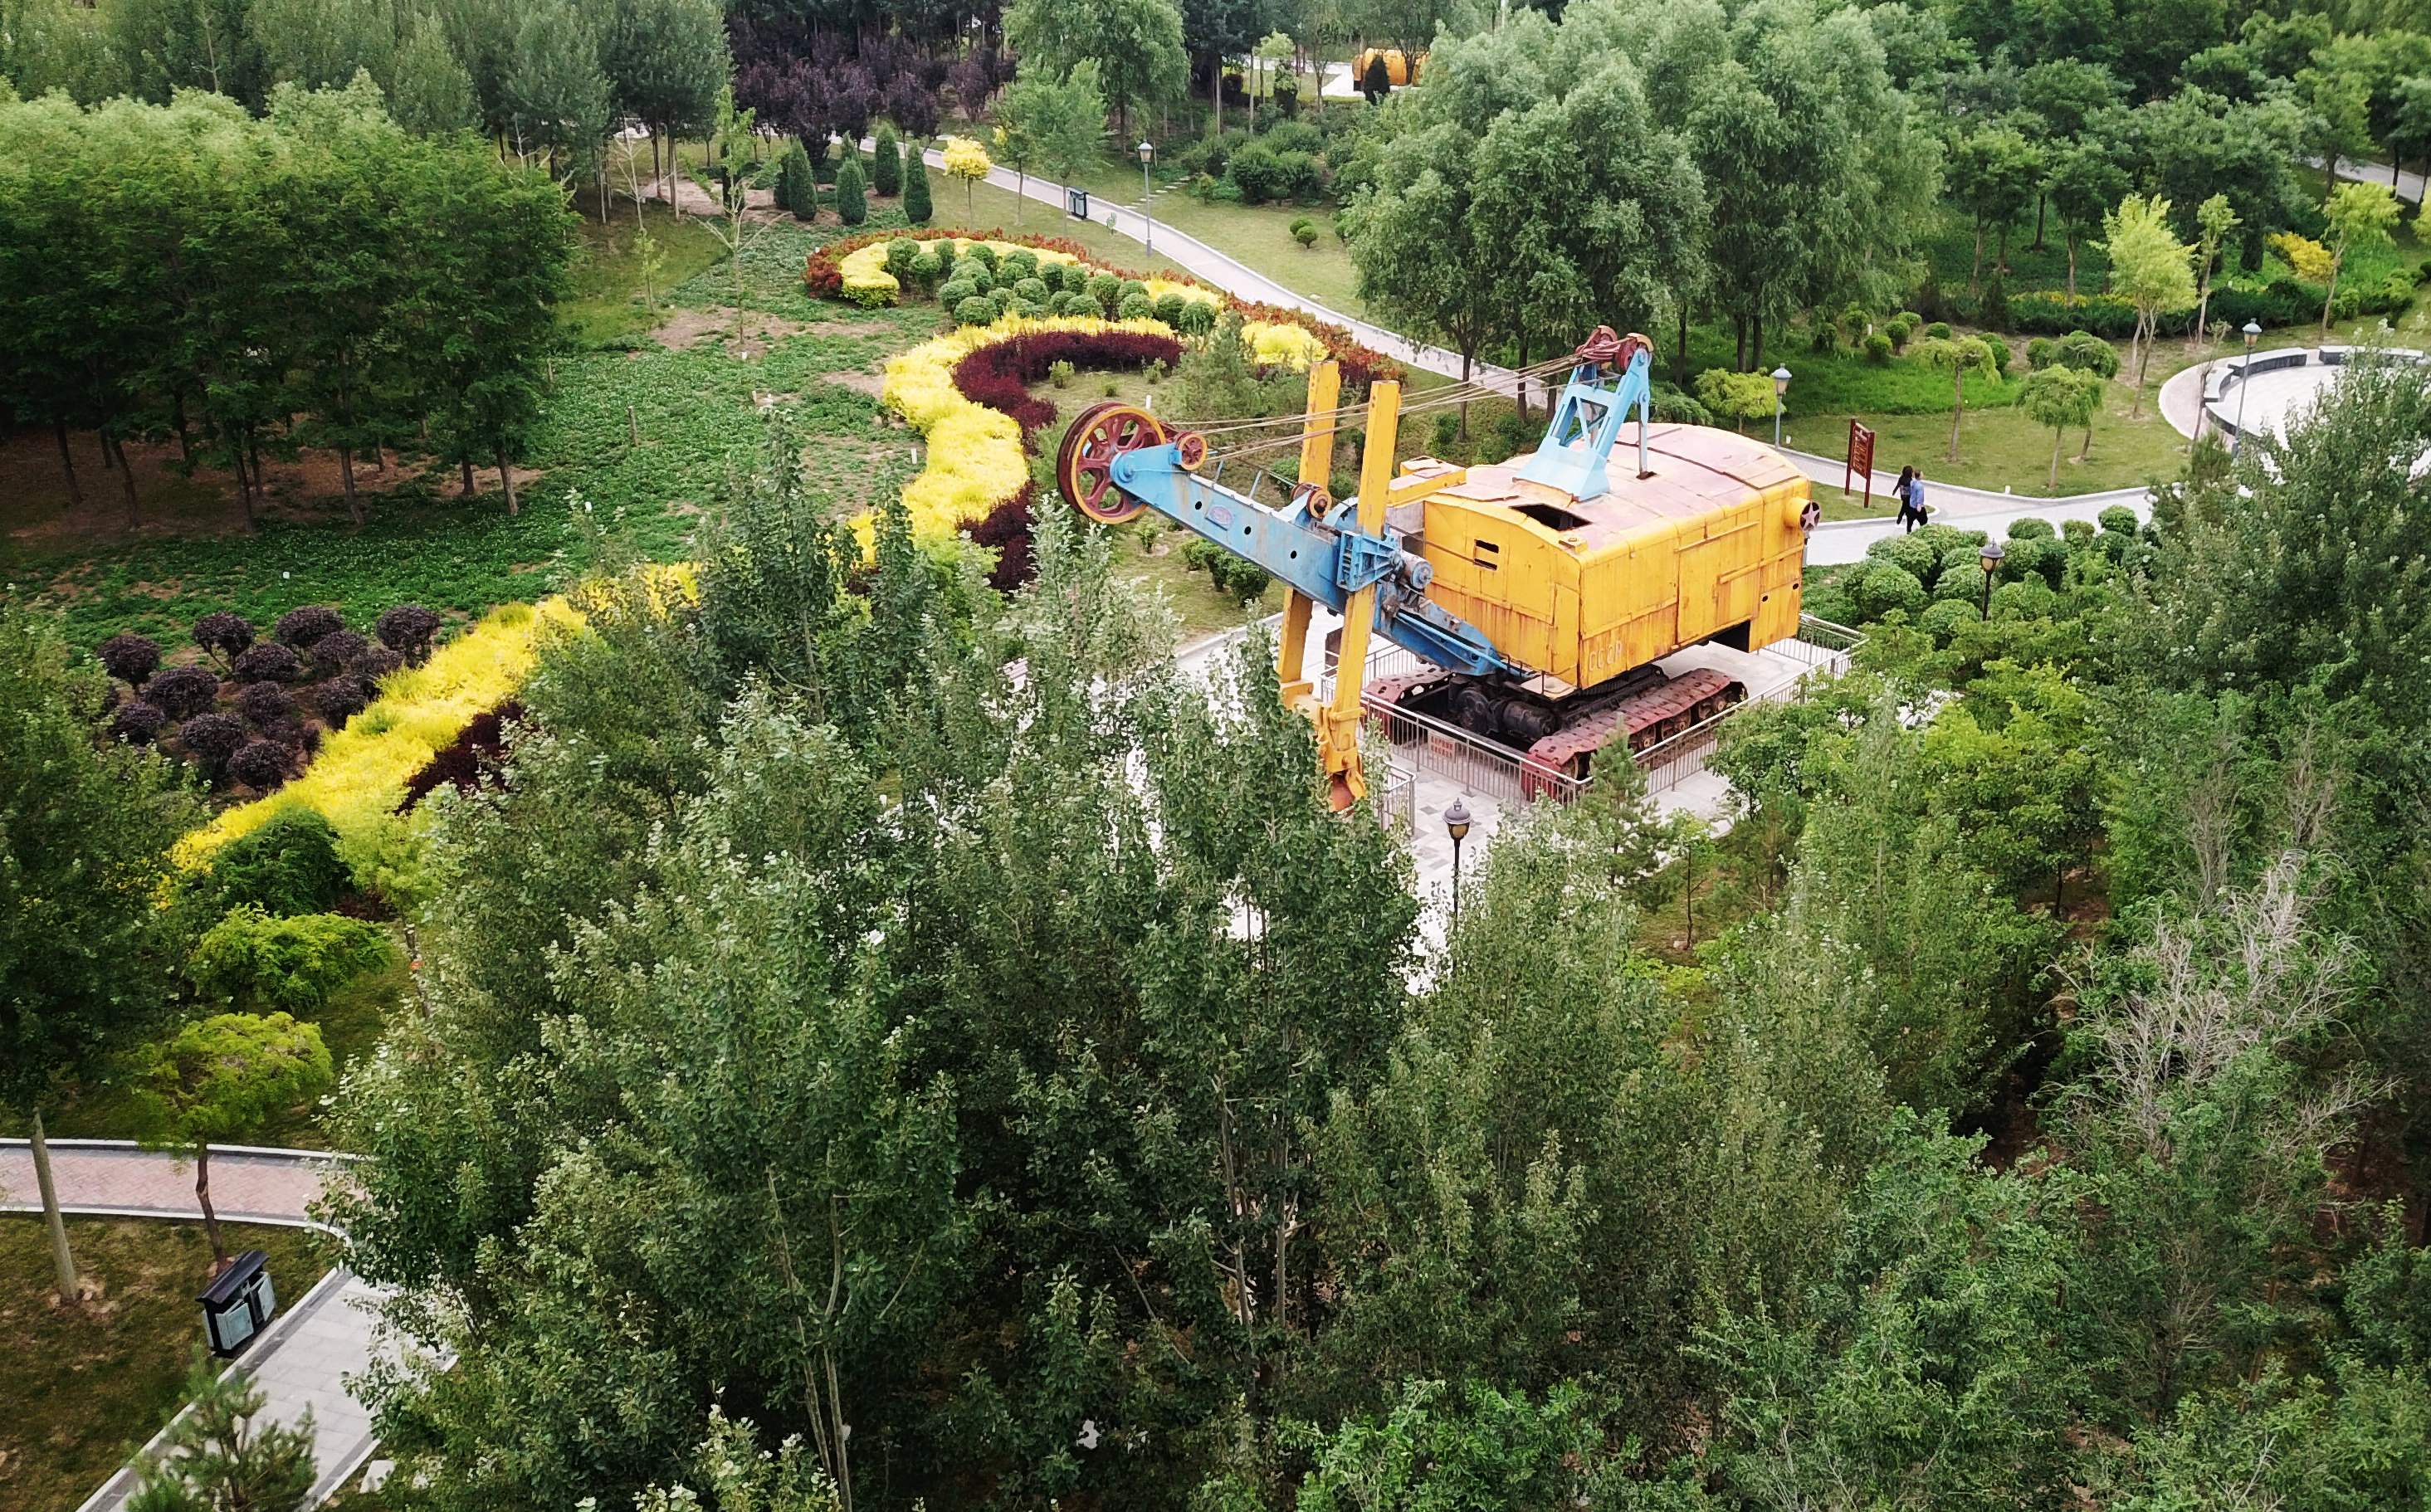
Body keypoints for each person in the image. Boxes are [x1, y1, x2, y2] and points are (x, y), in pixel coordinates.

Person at [1894, 465, 1925, 532]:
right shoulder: (1910, 480)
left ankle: (1910, 520)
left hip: (1903, 496)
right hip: (1907, 496)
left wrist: (1894, 491)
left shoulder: (1902, 478)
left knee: (1907, 509)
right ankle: (1898, 523)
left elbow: (1898, 485)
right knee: (1904, 509)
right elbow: (1911, 489)